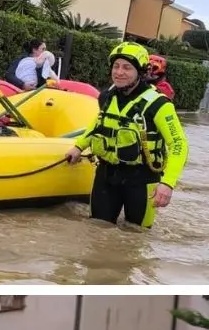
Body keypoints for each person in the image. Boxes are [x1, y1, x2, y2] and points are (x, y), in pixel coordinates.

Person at [63, 41, 188, 230]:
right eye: (116, 66)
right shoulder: (106, 97)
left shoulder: (159, 105)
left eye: (127, 67)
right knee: (97, 230)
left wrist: (168, 184)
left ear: (141, 72)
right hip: (106, 175)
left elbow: (179, 144)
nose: (119, 72)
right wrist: (79, 146)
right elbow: (99, 124)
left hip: (142, 181)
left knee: (135, 237)